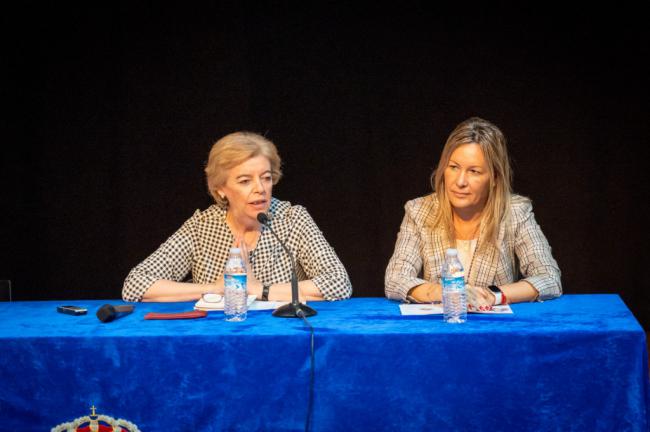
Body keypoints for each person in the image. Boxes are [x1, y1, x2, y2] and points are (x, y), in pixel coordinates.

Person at [123, 131, 352, 303]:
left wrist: (258, 289)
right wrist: (216, 288)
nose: (260, 188)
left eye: (266, 177)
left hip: (282, 338)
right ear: (220, 188)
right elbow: (135, 285)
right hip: (218, 340)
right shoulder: (202, 226)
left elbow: (338, 284)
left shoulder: (292, 219)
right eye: (245, 181)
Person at [385, 117, 561, 309]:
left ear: (494, 177)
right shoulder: (419, 210)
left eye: (474, 171)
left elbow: (549, 278)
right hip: (440, 329)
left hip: (495, 332)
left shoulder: (515, 212)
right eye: (453, 167)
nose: (460, 181)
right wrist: (446, 292)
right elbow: (395, 279)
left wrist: (493, 295)